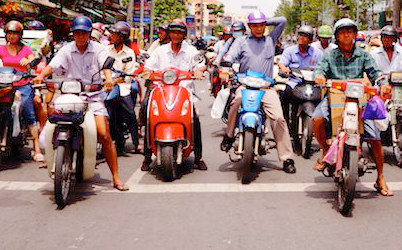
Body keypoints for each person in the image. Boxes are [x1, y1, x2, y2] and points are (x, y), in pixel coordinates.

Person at [32, 15, 129, 191]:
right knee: (52, 123)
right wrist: (41, 76)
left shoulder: (99, 49)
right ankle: (52, 158)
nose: (81, 36)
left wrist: (107, 79)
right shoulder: (66, 50)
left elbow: (105, 65)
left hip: (93, 97)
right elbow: (53, 66)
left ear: (89, 33)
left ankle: (116, 177)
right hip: (70, 96)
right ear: (73, 34)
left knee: (104, 134)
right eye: (77, 33)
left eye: (84, 33)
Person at [311, 18, 393, 195]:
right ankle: (326, 153)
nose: (347, 34)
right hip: (336, 98)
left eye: (350, 31)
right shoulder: (329, 55)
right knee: (316, 118)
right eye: (343, 32)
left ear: (355, 35)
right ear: (337, 37)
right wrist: (319, 77)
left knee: (375, 137)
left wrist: (383, 83)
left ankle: (380, 178)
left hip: (359, 100)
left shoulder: (364, 55)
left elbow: (376, 74)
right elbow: (319, 70)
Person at [219, 11, 297, 174]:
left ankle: (286, 158)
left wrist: (264, 20)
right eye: (254, 25)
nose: (258, 28)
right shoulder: (241, 41)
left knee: (278, 118)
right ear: (249, 27)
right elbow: (230, 56)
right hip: (246, 85)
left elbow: (282, 19)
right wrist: (225, 68)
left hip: (266, 87)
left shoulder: (271, 39)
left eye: (261, 25)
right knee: (235, 103)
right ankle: (229, 134)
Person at [142, 20, 208, 171]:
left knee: (194, 118)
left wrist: (199, 70)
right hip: (161, 91)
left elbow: (201, 63)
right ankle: (146, 156)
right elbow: (148, 66)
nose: (176, 35)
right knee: (147, 114)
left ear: (184, 35)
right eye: (173, 32)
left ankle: (198, 157)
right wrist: (147, 73)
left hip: (184, 93)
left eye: (179, 32)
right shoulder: (160, 50)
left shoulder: (191, 50)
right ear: (169, 34)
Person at [0, 20, 44, 162]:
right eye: (9, 33)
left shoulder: (26, 50)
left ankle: (36, 147)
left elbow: (33, 60)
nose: (12, 36)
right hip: (4, 83)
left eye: (15, 33)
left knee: (28, 109)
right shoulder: (1, 49)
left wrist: (30, 62)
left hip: (22, 84)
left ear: (20, 35)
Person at [105, 21, 141, 154]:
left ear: (121, 37)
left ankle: (136, 143)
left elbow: (128, 77)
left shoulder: (129, 53)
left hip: (123, 87)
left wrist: (114, 81)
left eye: (114, 34)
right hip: (105, 87)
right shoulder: (106, 50)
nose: (110, 36)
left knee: (130, 114)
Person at [277, 25, 323, 126]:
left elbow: (323, 67)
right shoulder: (289, 51)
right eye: (300, 35)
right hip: (294, 83)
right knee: (283, 95)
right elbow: (282, 63)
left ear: (310, 40)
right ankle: (285, 121)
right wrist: (284, 69)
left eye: (304, 36)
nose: (301, 38)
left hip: (311, 85)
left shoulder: (318, 53)